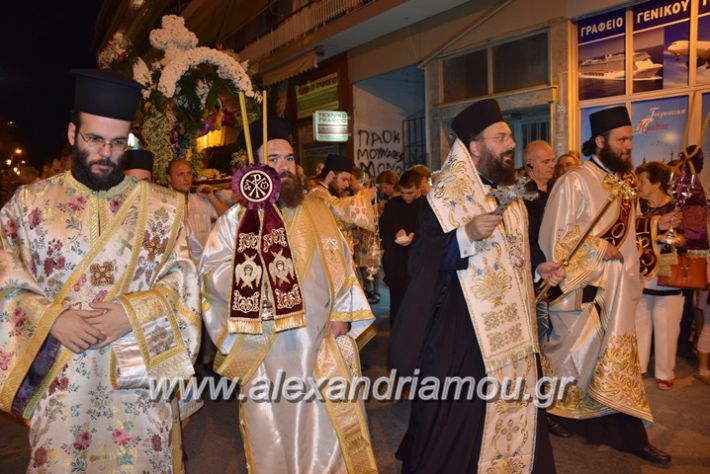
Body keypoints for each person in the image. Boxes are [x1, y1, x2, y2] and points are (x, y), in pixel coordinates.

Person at [0, 69, 200, 472]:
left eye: (117, 142)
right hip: (61, 382)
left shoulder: (161, 206)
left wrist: (131, 313)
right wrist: (51, 318)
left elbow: (184, 282)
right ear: (73, 133)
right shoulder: (29, 205)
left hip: (139, 384)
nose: (106, 154)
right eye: (94, 139)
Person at [390, 98, 563, 473]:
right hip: (462, 340)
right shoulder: (443, 199)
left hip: (515, 339)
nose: (510, 144)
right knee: (459, 431)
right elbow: (422, 262)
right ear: (474, 147)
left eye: (509, 136)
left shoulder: (511, 191)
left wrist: (538, 266)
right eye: (500, 138)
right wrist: (464, 236)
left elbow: (518, 246)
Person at [201, 116, 378, 473]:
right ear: (256, 169)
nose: (283, 166)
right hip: (270, 346)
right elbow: (211, 274)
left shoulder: (318, 210)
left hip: (323, 341)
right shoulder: (236, 220)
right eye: (273, 159)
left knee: (327, 429)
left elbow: (342, 263)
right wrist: (256, 287)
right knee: (279, 430)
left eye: (288, 158)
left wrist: (343, 315)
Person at [539, 106, 675, 464]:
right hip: (582, 293)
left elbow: (630, 234)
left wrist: (654, 228)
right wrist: (600, 247)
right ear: (600, 141)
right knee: (574, 362)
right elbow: (554, 237)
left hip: (615, 289)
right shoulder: (574, 181)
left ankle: (623, 434)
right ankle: (555, 415)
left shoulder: (626, 181)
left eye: (631, 138)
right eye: (622, 140)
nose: (629, 145)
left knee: (612, 364)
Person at [634, 161, 684, 391]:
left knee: (666, 324)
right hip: (641, 273)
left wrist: (674, 238)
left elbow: (689, 238)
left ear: (656, 183)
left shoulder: (676, 206)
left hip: (668, 273)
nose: (639, 185)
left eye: (643, 180)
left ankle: (665, 372)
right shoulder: (637, 206)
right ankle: (639, 367)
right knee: (639, 322)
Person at [379, 169, 425, 327]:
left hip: (418, 266)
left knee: (417, 309)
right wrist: (396, 230)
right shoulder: (393, 204)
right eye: (403, 192)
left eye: (410, 193)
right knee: (397, 307)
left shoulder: (427, 206)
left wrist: (415, 236)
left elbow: (432, 233)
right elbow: (384, 226)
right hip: (397, 265)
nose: (406, 197)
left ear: (419, 188)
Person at [166, 158, 230, 263]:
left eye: (189, 174)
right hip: (176, 265)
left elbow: (229, 217)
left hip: (204, 263)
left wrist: (211, 197)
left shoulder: (200, 199)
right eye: (180, 174)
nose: (186, 178)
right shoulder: (162, 202)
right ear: (169, 178)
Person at [307, 153, 377, 237]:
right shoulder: (317, 194)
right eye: (344, 179)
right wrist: (365, 196)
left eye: (348, 180)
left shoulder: (326, 193)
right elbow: (336, 208)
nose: (347, 185)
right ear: (331, 175)